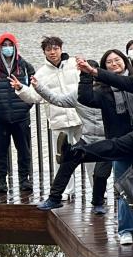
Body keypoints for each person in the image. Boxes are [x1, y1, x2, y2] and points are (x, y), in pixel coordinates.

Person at [78, 49, 133, 245]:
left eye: (117, 60)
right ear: (104, 67)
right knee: (123, 188)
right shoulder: (104, 91)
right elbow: (85, 98)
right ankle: (125, 229)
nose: (114, 64)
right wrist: (85, 74)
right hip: (120, 145)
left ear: (125, 62)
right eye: (109, 62)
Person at [31, 64, 111, 214]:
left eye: (91, 74)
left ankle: (98, 203)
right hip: (87, 139)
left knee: (100, 173)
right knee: (68, 160)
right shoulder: (77, 94)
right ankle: (54, 198)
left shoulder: (108, 92)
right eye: (84, 75)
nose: (89, 78)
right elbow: (57, 100)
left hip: (108, 140)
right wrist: (38, 87)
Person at [12, 36, 82, 197]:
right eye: (49, 49)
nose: (52, 52)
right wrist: (20, 88)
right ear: (44, 52)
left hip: (81, 117)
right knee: (62, 158)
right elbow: (34, 96)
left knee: (91, 153)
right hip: (59, 121)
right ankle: (65, 191)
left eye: (55, 48)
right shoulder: (41, 73)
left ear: (61, 48)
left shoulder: (74, 64)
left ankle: (99, 190)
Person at [0, 33, 35, 193]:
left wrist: (27, 104)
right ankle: (1, 181)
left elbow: (35, 87)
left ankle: (24, 179)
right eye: (4, 45)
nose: (7, 48)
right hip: (0, 118)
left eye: (9, 45)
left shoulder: (25, 66)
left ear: (15, 46)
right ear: (0, 47)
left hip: (21, 116)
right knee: (0, 151)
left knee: (24, 150)